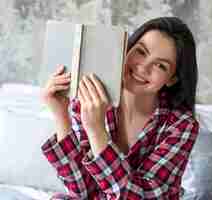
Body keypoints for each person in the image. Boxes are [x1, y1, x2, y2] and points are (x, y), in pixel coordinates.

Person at [41, 16, 199, 200]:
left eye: (160, 65)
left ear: (172, 78)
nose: (143, 67)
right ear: (126, 49)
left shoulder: (181, 126)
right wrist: (61, 115)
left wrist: (97, 130)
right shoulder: (89, 101)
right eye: (141, 52)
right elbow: (81, 191)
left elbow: (140, 197)